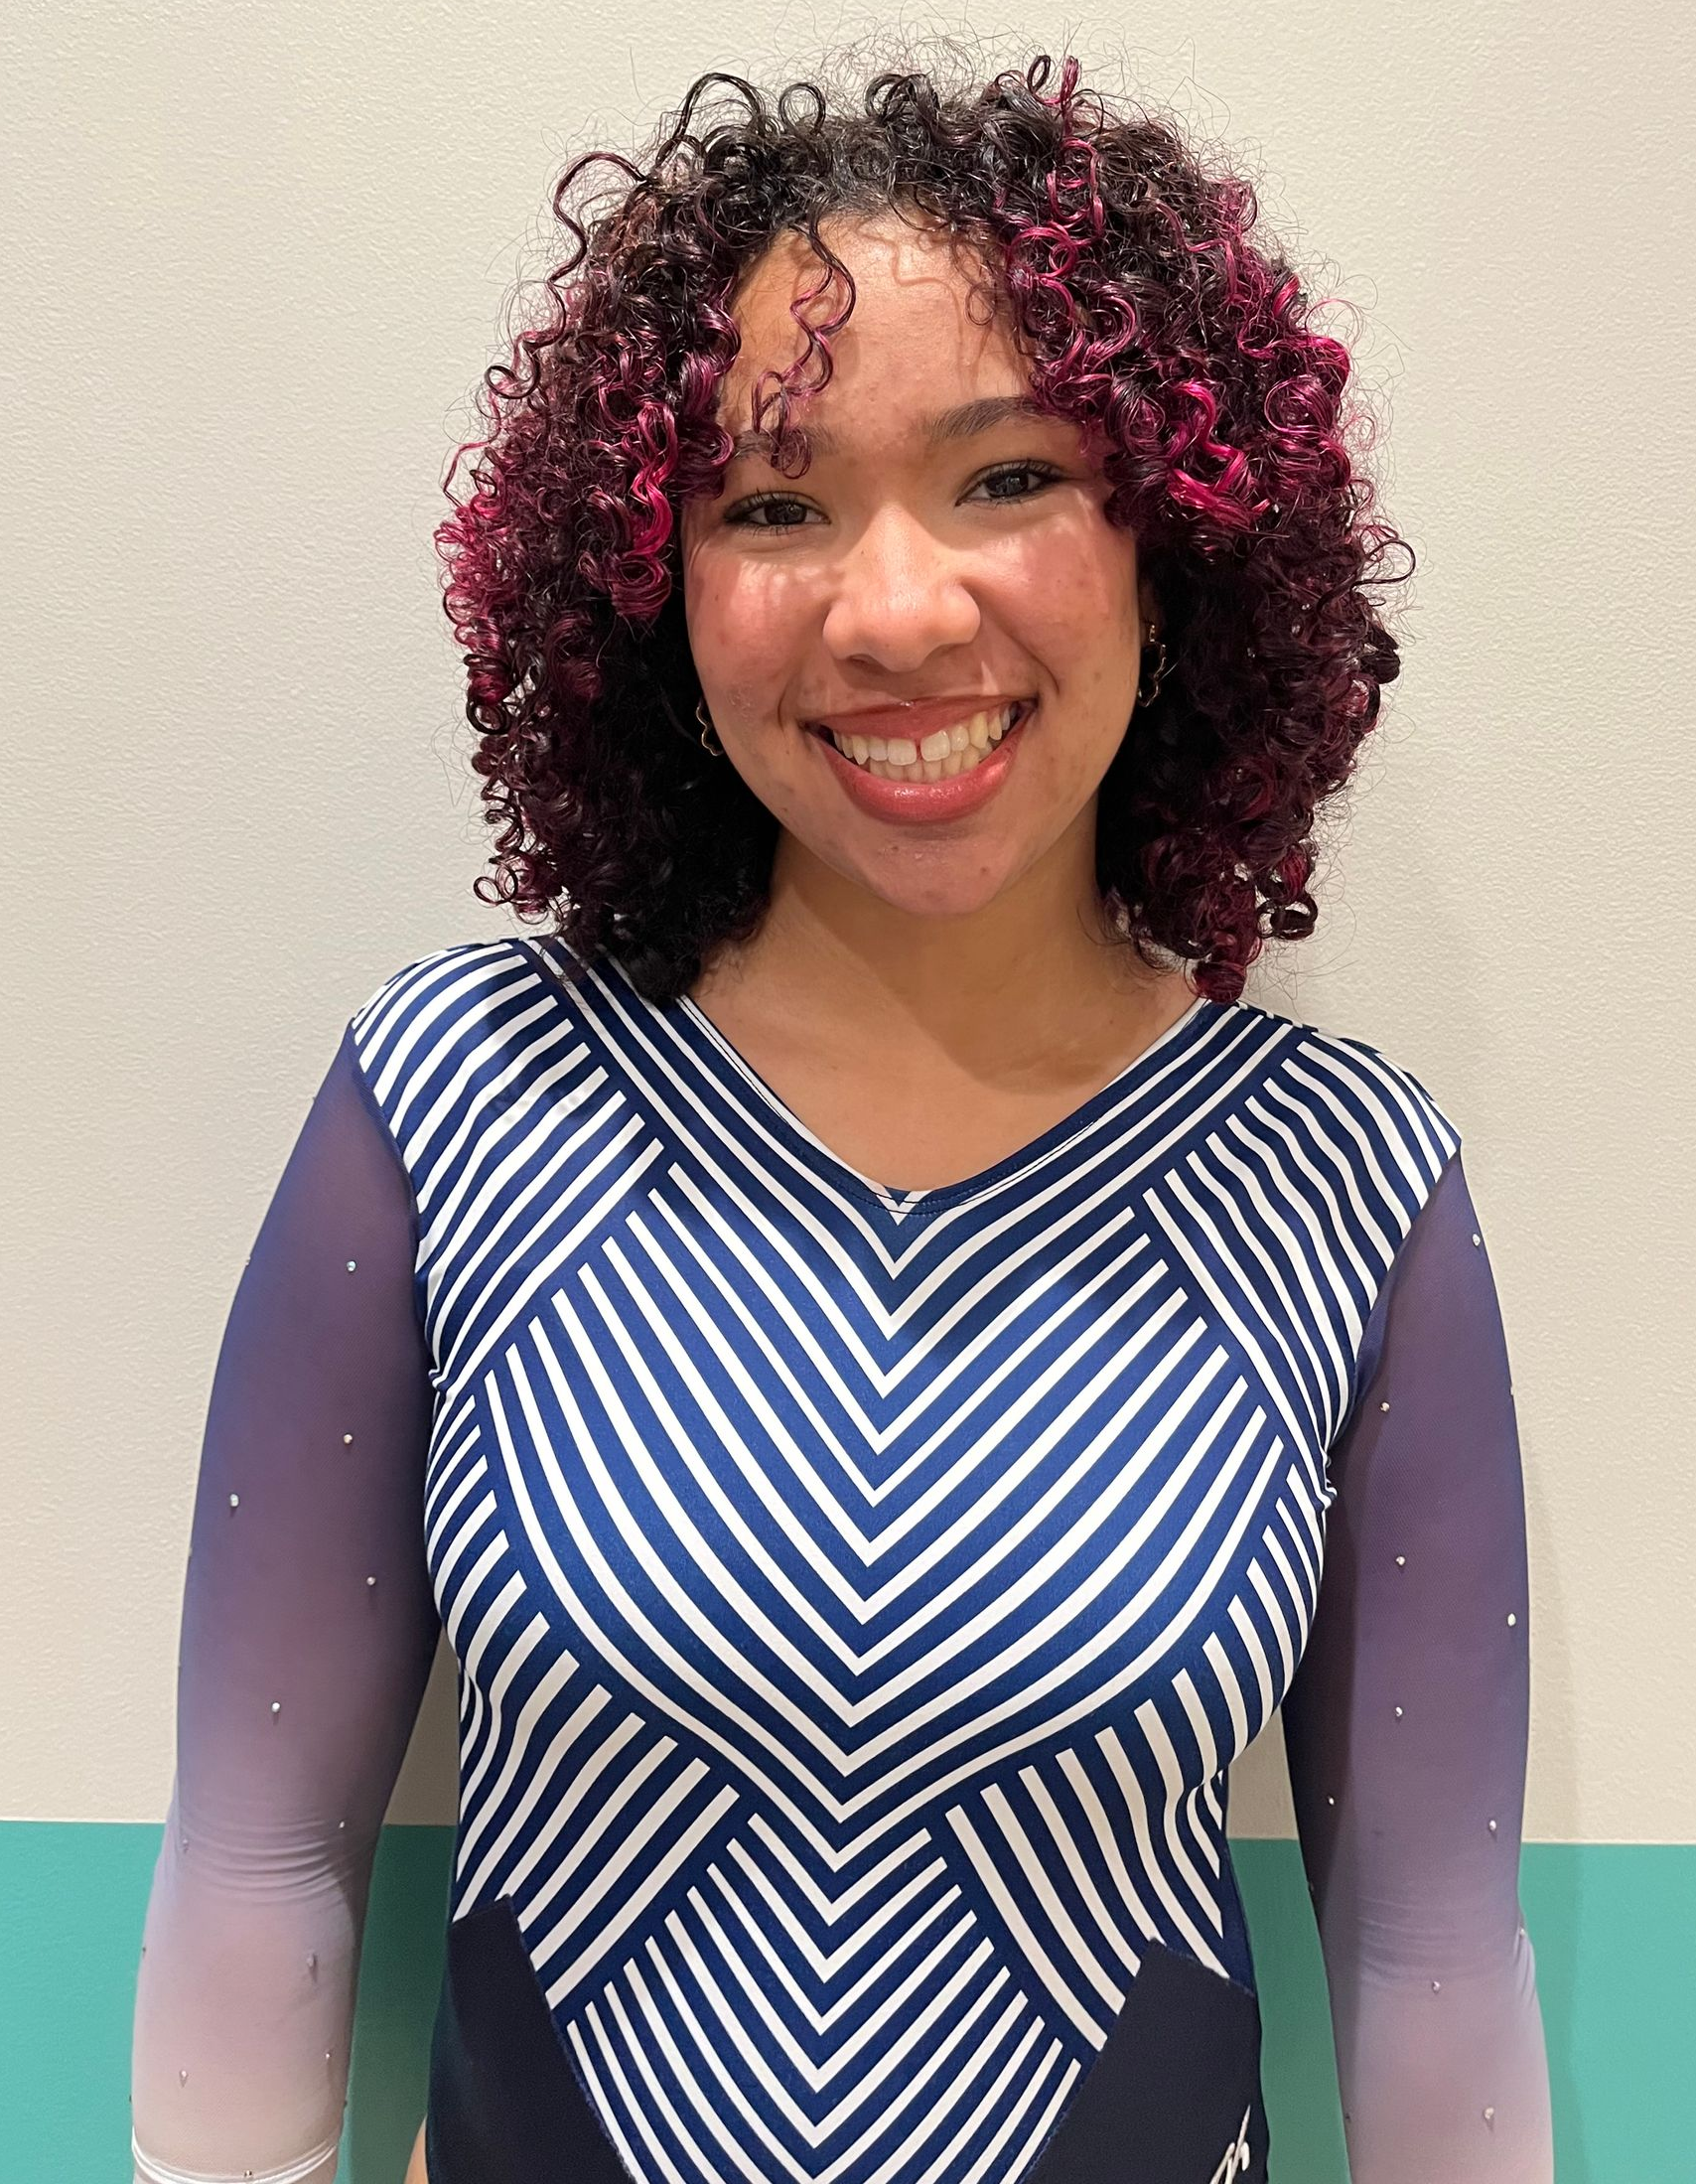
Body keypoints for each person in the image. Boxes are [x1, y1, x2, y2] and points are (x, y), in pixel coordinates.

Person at [129, 47, 1555, 2184]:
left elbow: (1433, 1957)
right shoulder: (448, 1102)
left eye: (1005, 480)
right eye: (773, 504)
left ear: (1174, 537)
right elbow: (256, 1858)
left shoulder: (1344, 1188)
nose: (894, 609)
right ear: (649, 583)